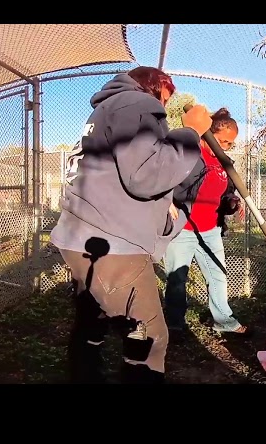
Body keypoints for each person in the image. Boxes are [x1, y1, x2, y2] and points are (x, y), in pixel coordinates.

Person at [49, 66, 212, 384]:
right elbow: (145, 175)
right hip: (114, 245)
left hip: (78, 237)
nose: (165, 108)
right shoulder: (137, 104)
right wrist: (191, 132)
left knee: (91, 323)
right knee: (149, 339)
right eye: (166, 98)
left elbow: (127, 172)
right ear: (155, 87)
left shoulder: (103, 112)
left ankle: (85, 375)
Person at [163, 107, 248, 341]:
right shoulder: (190, 154)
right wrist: (166, 200)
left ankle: (224, 321)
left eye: (230, 143)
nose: (226, 146)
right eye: (222, 141)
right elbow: (163, 177)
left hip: (210, 230)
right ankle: (175, 325)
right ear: (207, 134)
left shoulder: (225, 162)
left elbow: (226, 193)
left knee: (218, 276)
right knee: (177, 278)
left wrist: (232, 201)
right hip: (183, 228)